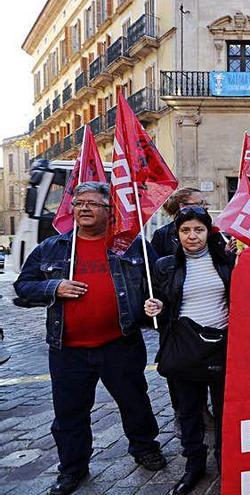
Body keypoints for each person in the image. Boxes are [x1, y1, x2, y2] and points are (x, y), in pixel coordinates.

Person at [14, 182, 166, 495]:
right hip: (68, 349)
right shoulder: (52, 248)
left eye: (93, 203)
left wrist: (156, 303)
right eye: (79, 202)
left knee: (135, 402)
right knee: (69, 413)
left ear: (110, 212)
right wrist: (52, 288)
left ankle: (144, 448)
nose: (84, 208)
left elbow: (160, 282)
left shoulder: (132, 245)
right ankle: (72, 468)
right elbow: (23, 286)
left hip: (120, 344)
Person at [144, 207, 234, 494]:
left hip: (222, 346)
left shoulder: (226, 262)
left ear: (208, 232)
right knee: (188, 412)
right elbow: (160, 303)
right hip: (183, 347)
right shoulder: (165, 266)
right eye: (185, 230)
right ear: (177, 233)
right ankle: (194, 464)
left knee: (224, 411)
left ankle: (224, 460)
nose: (192, 236)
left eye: (198, 230)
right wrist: (155, 306)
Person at [151, 188, 207, 258]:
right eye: (199, 204)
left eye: (199, 230)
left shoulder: (213, 231)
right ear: (183, 206)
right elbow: (155, 264)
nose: (205, 207)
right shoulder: (162, 234)